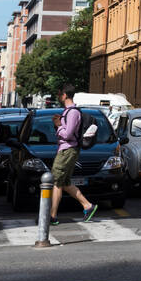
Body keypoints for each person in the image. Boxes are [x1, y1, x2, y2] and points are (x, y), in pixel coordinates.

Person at [50, 85, 98, 225]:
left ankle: (52, 216)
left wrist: (59, 126)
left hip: (67, 150)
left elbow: (68, 134)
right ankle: (88, 206)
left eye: (60, 94)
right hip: (67, 149)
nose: (59, 97)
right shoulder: (68, 112)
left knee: (56, 181)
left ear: (65, 95)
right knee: (64, 183)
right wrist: (59, 124)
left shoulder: (72, 113)